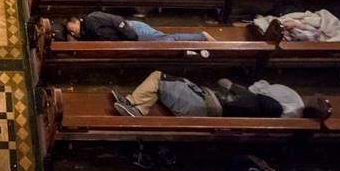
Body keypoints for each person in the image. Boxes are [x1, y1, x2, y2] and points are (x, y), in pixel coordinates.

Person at [111, 72, 290, 118]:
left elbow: (223, 82)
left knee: (158, 76)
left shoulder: (249, 97)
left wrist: (236, 87)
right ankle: (132, 102)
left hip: (200, 107)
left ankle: (137, 108)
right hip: (209, 116)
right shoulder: (260, 118)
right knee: (180, 81)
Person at [64, 11, 211, 42]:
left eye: (72, 28)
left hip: (134, 30)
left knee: (168, 41)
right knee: (167, 41)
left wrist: (131, 36)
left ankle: (202, 37)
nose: (73, 32)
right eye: (71, 32)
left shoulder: (91, 18)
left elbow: (117, 20)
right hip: (130, 37)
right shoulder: (85, 34)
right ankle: (200, 38)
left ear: (77, 21)